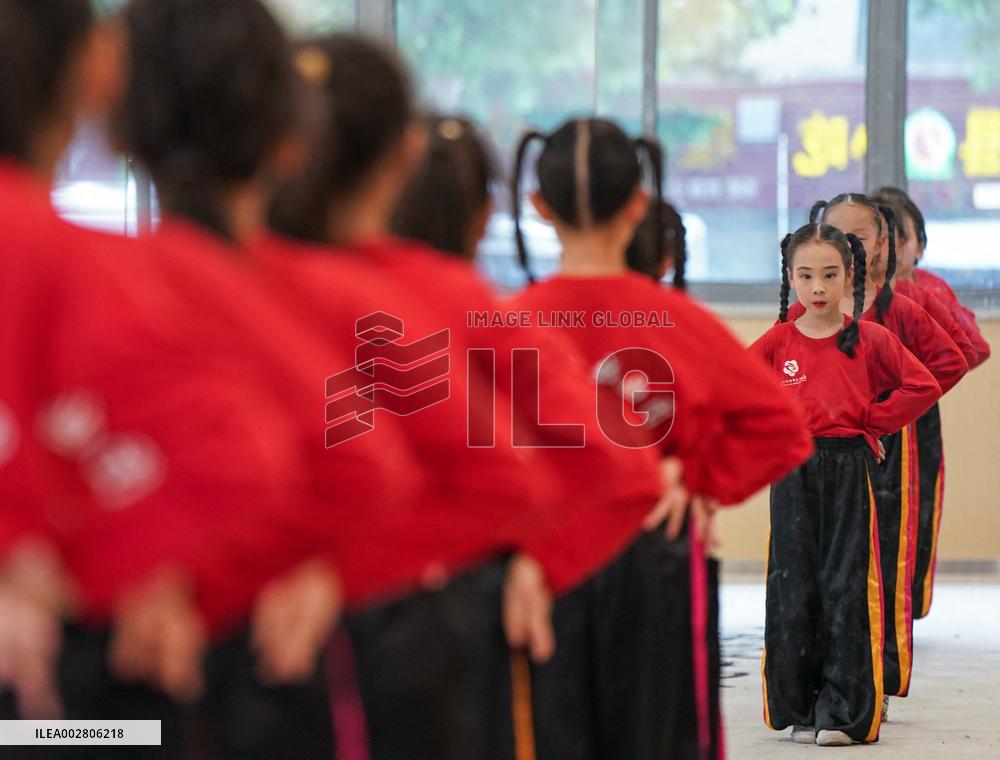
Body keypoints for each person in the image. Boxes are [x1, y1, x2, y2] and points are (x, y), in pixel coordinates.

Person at [262, 35, 668, 760]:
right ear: (400, 161)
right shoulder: (453, 302)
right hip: (423, 622)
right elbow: (614, 468)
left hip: (240, 629)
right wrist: (536, 558)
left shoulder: (202, 284)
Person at [507, 118, 813, 760]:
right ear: (638, 206)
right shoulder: (679, 322)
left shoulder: (508, 323)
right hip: (654, 559)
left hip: (537, 560)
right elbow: (782, 429)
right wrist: (695, 475)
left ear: (539, 206)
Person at [752, 222, 941, 747]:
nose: (817, 287)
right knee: (793, 583)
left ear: (848, 277)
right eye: (806, 275)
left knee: (847, 586)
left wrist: (873, 422)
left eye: (829, 275)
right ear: (790, 278)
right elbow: (737, 390)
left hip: (850, 470)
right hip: (792, 474)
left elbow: (921, 385)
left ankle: (844, 711)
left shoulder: (872, 339)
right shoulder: (778, 341)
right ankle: (800, 704)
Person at [803, 195, 967, 708]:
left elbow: (955, 360)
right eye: (835, 233)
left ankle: (882, 670)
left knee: (888, 557)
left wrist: (884, 413)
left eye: (860, 236)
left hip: (889, 452)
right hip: (822, 458)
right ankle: (822, 672)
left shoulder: (903, 308)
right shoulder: (806, 306)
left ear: (881, 243)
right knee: (823, 562)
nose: (849, 245)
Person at [874, 187, 989, 620]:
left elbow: (971, 350)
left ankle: (906, 603)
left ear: (917, 244)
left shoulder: (928, 291)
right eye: (876, 236)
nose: (889, 247)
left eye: (898, 237)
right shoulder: (850, 288)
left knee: (914, 510)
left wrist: (918, 382)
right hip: (860, 419)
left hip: (914, 419)